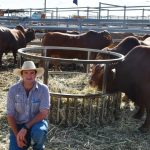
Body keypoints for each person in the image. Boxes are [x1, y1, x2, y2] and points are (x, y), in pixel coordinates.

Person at [7, 61, 51, 150]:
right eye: (26, 73)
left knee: (39, 131)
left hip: (37, 124)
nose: (29, 75)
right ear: (21, 75)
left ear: (35, 75)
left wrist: (26, 127)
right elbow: (10, 115)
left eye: (32, 73)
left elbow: (44, 113)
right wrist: (17, 136)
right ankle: (24, 142)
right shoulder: (13, 90)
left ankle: (38, 147)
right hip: (18, 125)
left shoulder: (43, 89)